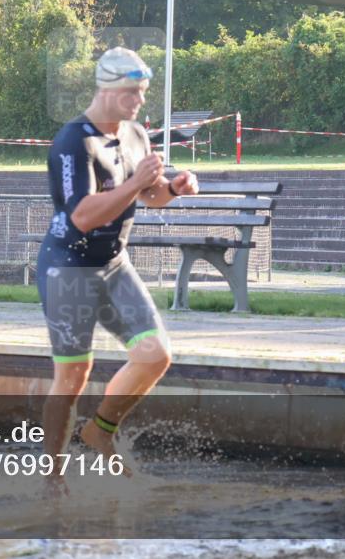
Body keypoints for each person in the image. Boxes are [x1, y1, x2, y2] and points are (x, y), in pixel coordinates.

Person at [38, 47, 200, 494]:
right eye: (132, 93)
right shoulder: (74, 141)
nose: (139, 102)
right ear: (106, 88)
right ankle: (53, 475)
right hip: (68, 269)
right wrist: (134, 184)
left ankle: (100, 431)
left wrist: (171, 188)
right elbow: (83, 216)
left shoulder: (134, 135)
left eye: (143, 92)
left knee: (155, 354)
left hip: (113, 264)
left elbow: (147, 197)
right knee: (72, 376)